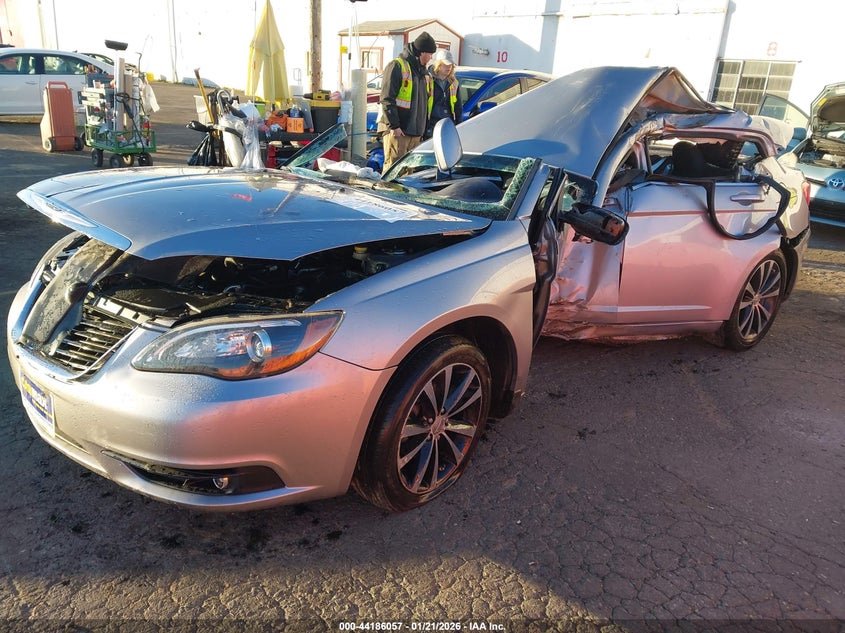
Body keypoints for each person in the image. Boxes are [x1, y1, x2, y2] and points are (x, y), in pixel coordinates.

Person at [378, 31, 437, 171]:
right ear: (422, 52)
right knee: (393, 170)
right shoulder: (397, 66)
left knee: (408, 173)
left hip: (415, 133)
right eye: (430, 54)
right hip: (399, 132)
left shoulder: (425, 74)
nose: (431, 58)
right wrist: (395, 126)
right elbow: (387, 99)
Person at [425, 49, 462, 139]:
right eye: (446, 64)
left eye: (451, 64)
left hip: (447, 125)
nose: (449, 67)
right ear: (438, 64)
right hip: (430, 125)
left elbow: (458, 107)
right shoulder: (427, 80)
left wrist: (459, 126)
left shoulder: (454, 83)